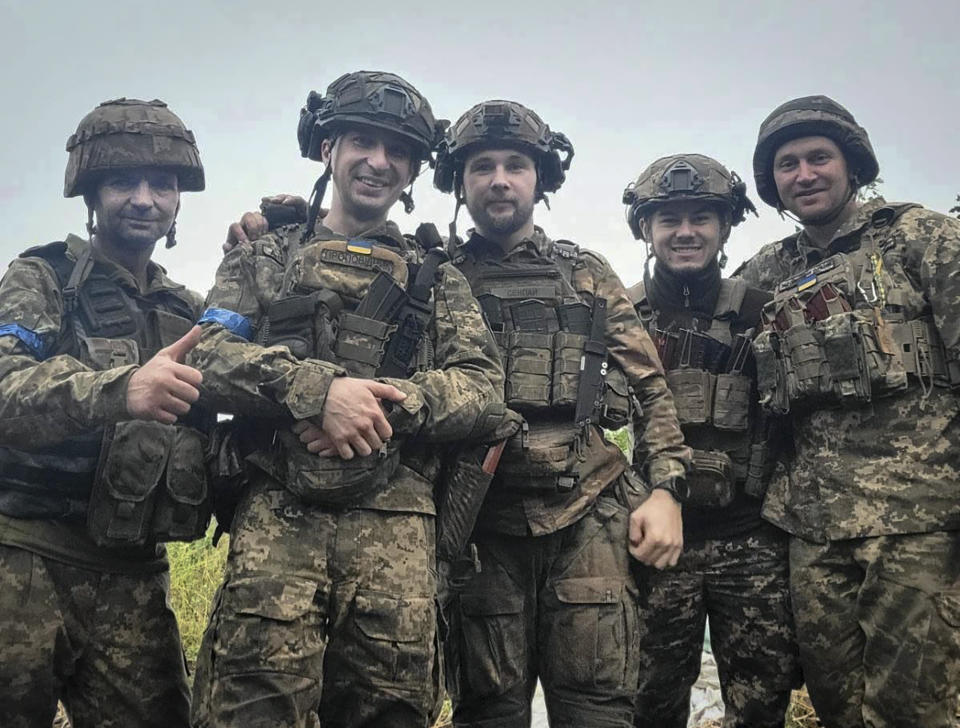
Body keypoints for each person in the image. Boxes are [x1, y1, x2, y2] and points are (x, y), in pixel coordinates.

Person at [188, 70, 506, 728]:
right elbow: (205, 357)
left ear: (414, 169)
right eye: (363, 141)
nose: (379, 162)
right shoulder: (262, 259)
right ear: (327, 148)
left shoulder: (438, 278)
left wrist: (384, 406)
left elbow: (482, 388)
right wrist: (314, 389)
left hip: (398, 537)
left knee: (391, 713)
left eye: (399, 151)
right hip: (276, 521)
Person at [432, 100, 690, 728]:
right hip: (479, 525)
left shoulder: (586, 274)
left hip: (589, 515)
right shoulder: (434, 276)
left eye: (516, 165)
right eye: (482, 166)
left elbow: (651, 390)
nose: (499, 179)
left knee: (598, 709)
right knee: (488, 710)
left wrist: (667, 492)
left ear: (539, 179)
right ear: (459, 183)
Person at [735, 95, 960, 728]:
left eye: (818, 158)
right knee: (837, 703)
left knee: (911, 708)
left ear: (852, 164)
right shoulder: (766, 273)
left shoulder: (923, 237)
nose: (804, 174)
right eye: (787, 164)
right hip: (813, 530)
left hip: (918, 521)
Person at [0, 98, 210, 728]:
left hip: (135, 577)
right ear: (91, 194)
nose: (144, 199)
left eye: (162, 185)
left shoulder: (189, 308)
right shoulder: (41, 278)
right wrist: (121, 391)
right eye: (123, 181)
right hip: (24, 564)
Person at [623, 153, 800, 728]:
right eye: (668, 218)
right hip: (652, 545)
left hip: (750, 542)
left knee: (761, 706)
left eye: (702, 217)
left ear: (725, 227)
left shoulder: (761, 311)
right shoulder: (620, 316)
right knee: (648, 705)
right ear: (645, 229)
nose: (685, 232)